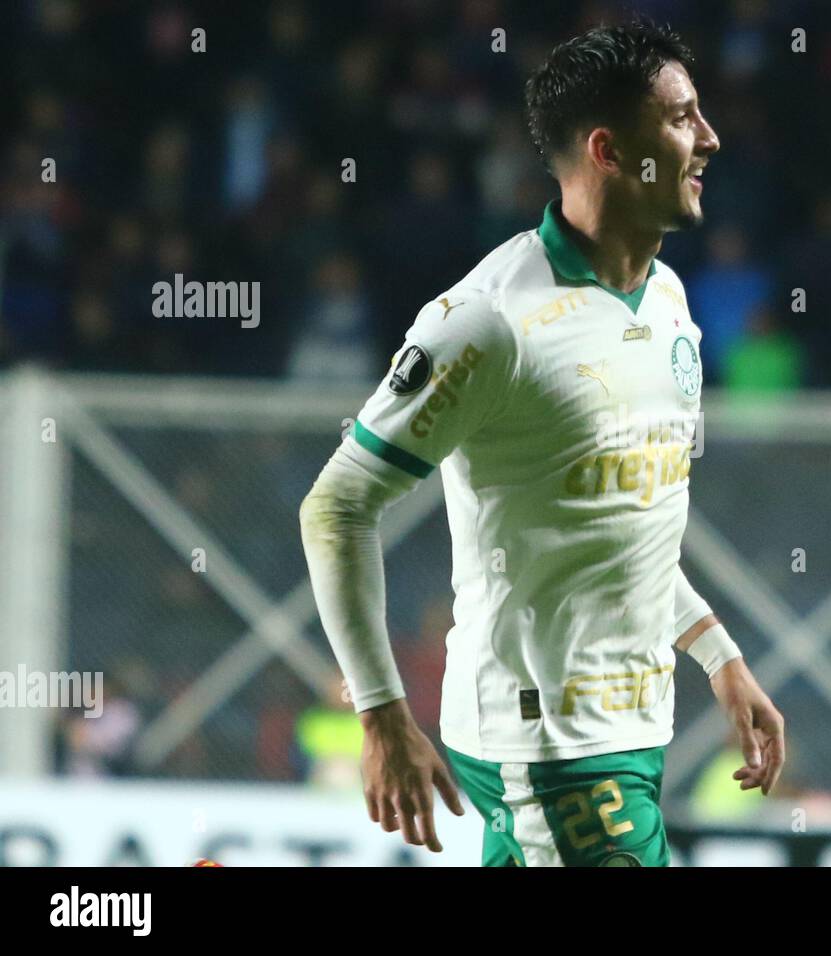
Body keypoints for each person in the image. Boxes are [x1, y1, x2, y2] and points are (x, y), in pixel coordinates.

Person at [300, 19, 785, 867]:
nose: (709, 138)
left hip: (632, 728)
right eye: (681, 119)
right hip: (551, 746)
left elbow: (619, 521)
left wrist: (719, 656)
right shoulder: (489, 321)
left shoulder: (668, 298)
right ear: (608, 150)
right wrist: (380, 714)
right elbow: (337, 505)